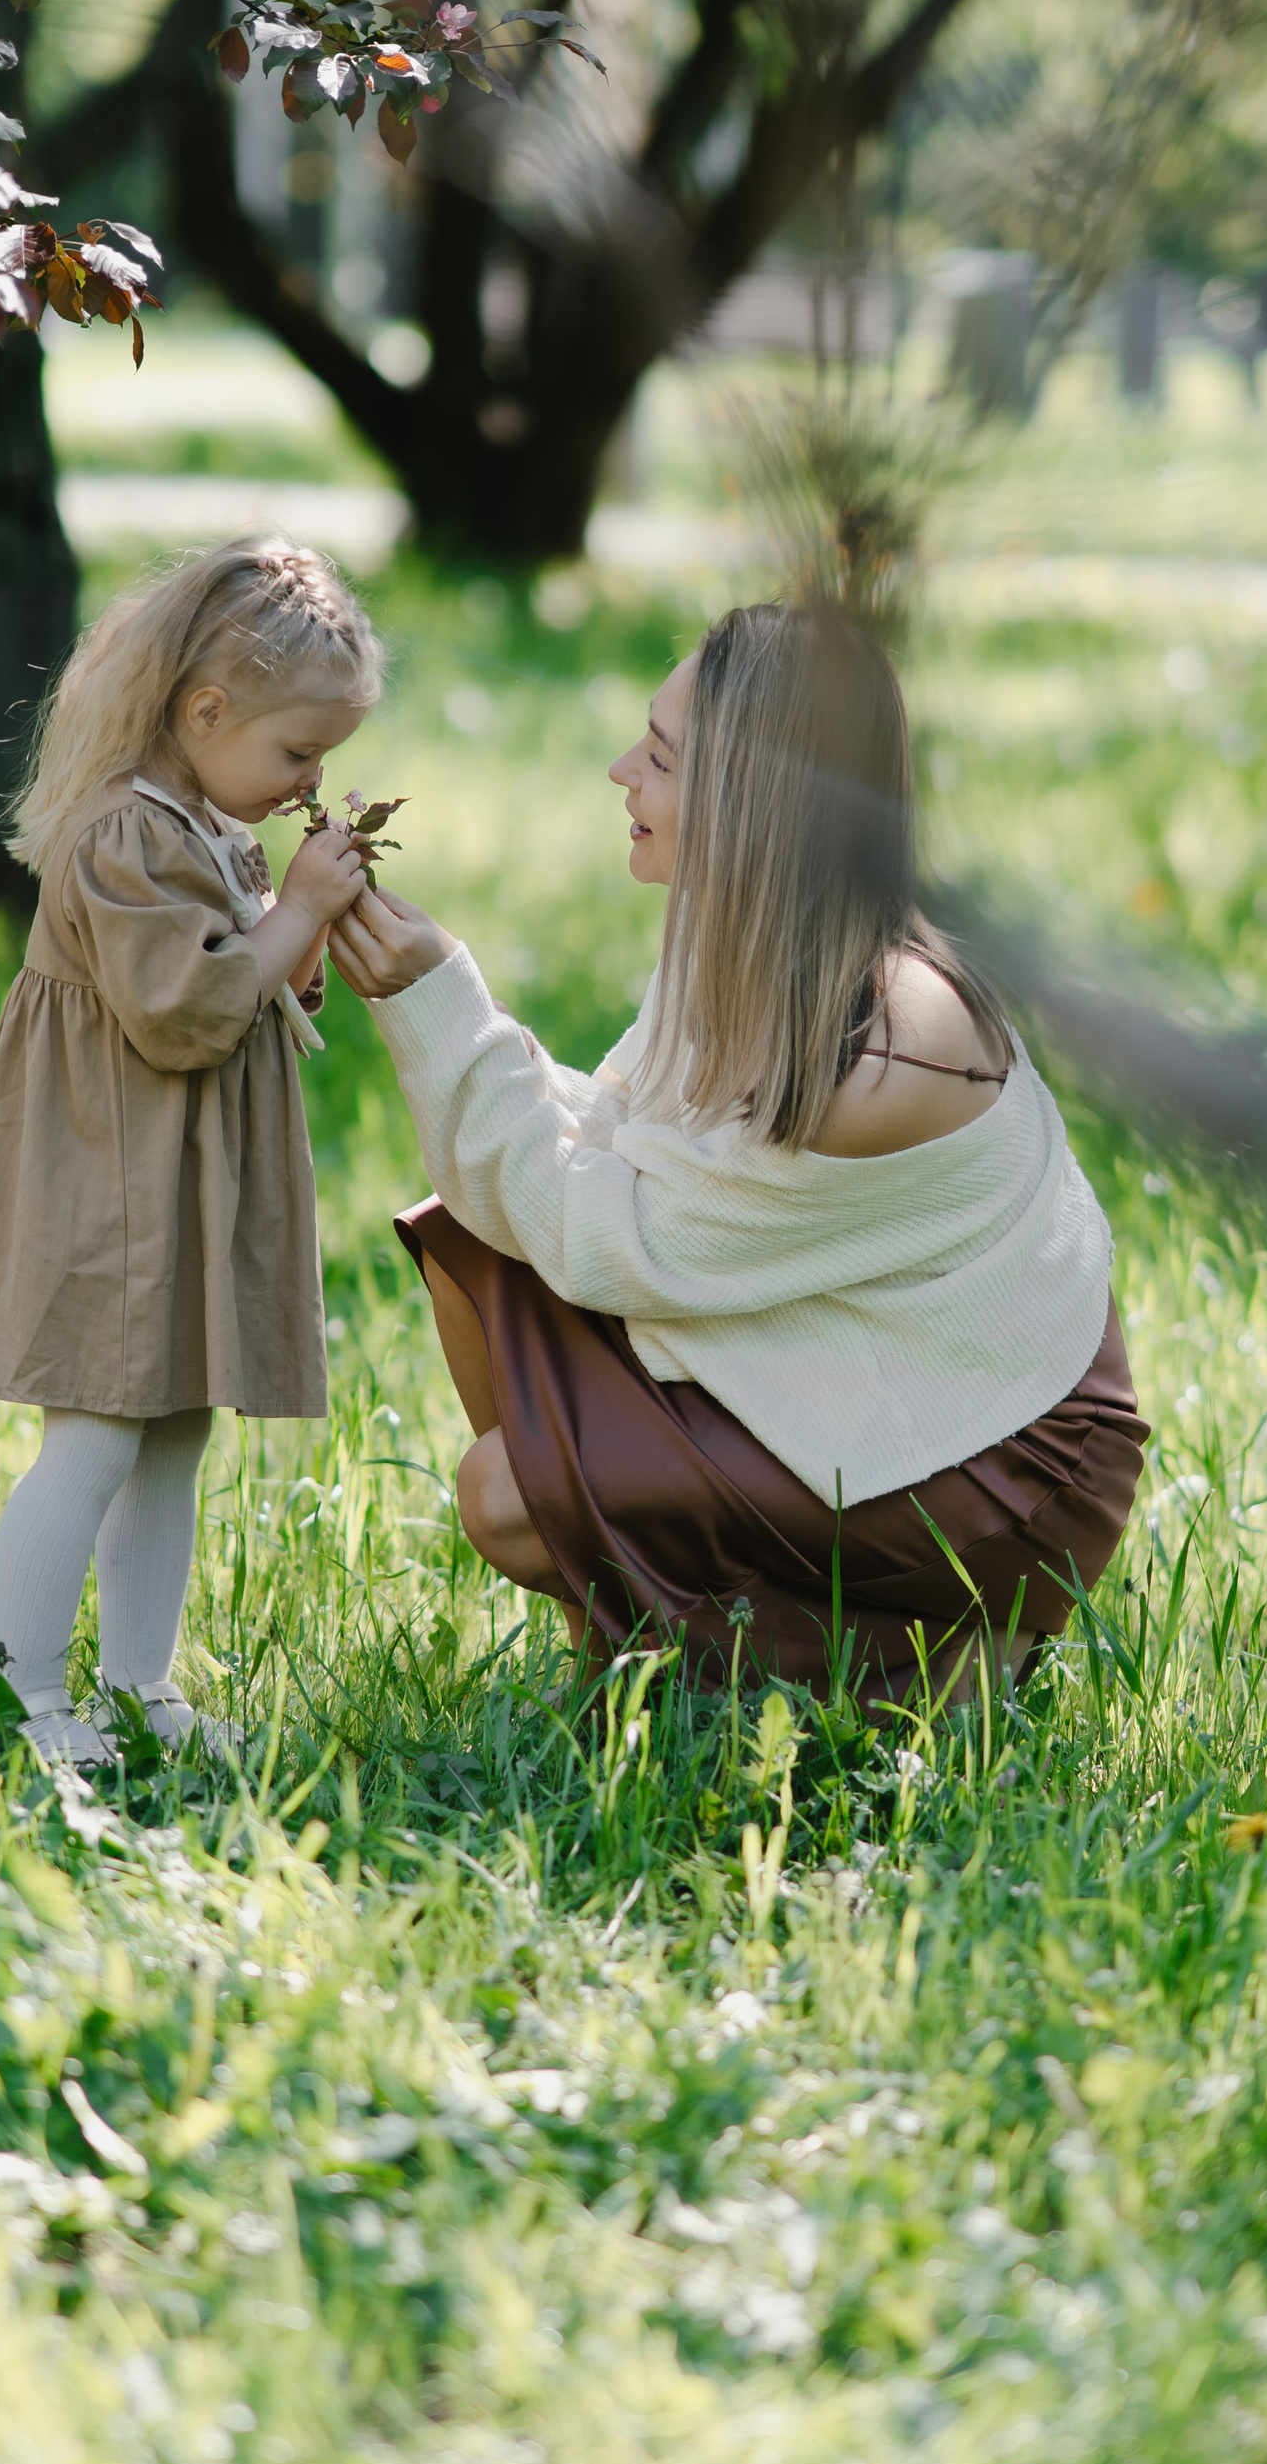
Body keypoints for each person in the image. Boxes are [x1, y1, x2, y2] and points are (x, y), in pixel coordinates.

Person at [327, 599, 1146, 1699]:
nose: (623, 771)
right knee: (473, 1250)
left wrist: (443, 1011)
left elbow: (610, 1242)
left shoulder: (888, 1045)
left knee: (510, 1489)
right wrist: (456, 1014)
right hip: (870, 1370)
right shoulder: (763, 948)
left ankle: (931, 1655)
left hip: (1000, 1454)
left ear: (750, 803)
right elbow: (616, 1152)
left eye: (660, 758)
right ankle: (645, 1651)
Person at [0, 537, 378, 1763]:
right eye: (295, 752)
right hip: (108, 1176)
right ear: (205, 708)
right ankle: (21, 1694)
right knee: (99, 1434)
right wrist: (296, 914)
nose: (306, 781)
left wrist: (304, 930)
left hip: (172, 1178)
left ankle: (138, 1687)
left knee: (174, 1432)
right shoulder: (125, 832)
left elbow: (251, 984)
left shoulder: (203, 821)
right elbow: (183, 1007)